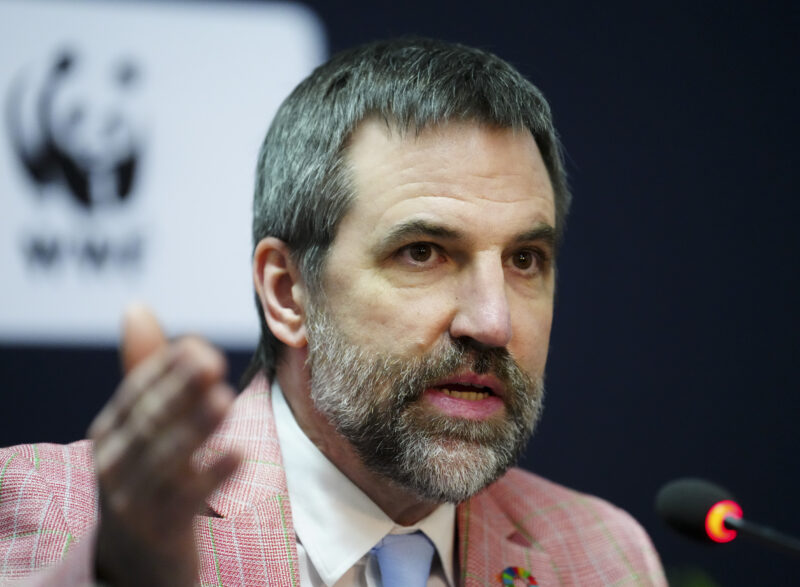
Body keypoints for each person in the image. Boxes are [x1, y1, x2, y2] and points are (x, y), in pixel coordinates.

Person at [0, 38, 667, 586]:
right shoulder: (56, 510)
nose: (493, 323)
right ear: (289, 292)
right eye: (423, 252)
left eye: (525, 260)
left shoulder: (605, 555)